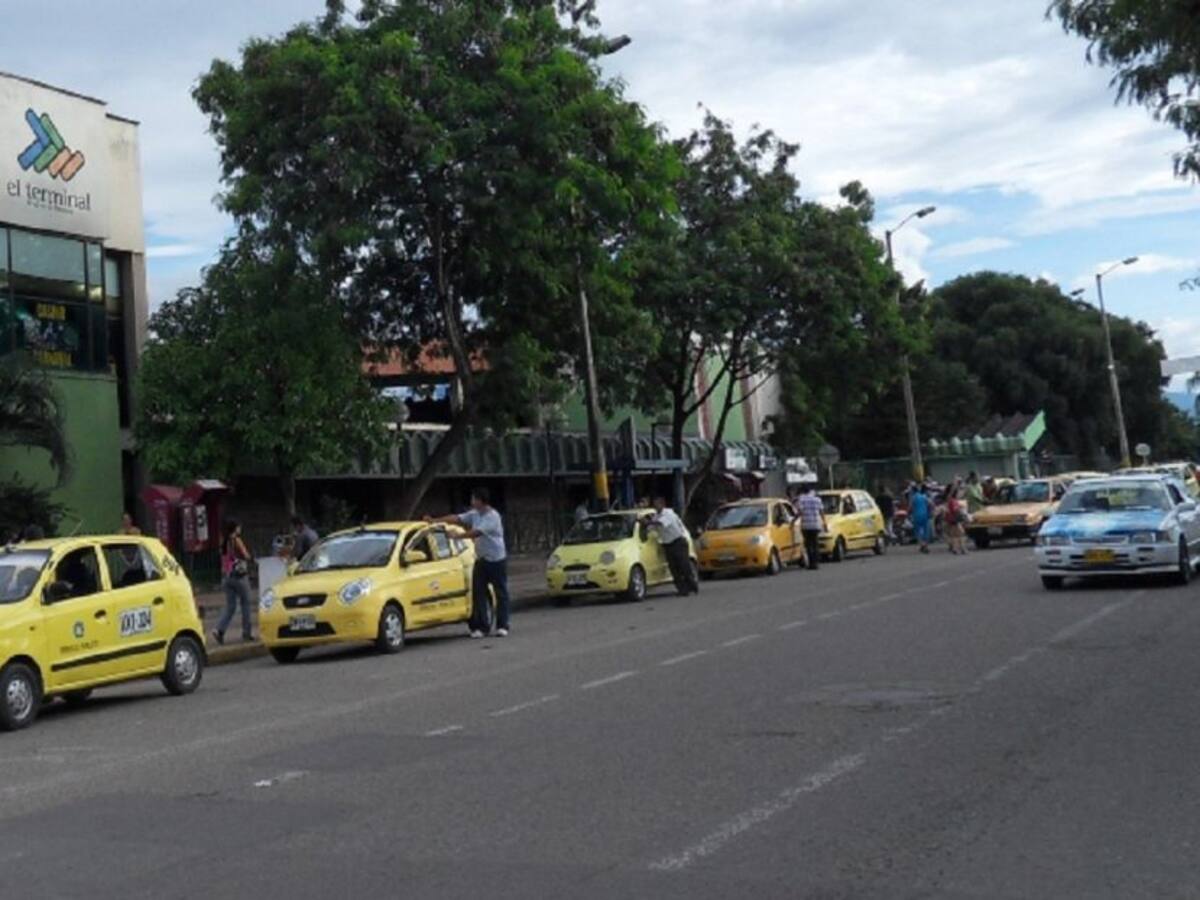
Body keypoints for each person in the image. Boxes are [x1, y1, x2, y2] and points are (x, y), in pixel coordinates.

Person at [428, 488, 511, 638]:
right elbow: (457, 518)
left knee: (501, 593)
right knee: (478, 592)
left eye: (474, 499)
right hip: (481, 559)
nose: (472, 502)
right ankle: (482, 627)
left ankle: (502, 625)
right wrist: (435, 520)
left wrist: (458, 536)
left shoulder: (493, 517)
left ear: (480, 501)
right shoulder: (474, 514)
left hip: (496, 559)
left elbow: (477, 532)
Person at [644, 496, 698, 595]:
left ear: (662, 504)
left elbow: (661, 523)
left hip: (678, 542)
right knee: (674, 569)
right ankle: (682, 590)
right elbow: (651, 528)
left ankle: (692, 585)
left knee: (684, 566)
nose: (656, 506)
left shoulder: (668, 513)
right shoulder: (656, 516)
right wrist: (646, 526)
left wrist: (648, 522)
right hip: (667, 545)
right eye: (654, 504)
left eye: (657, 504)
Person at [213, 520, 254, 646]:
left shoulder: (223, 541)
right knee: (246, 603)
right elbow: (245, 555)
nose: (240, 529)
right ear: (235, 528)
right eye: (238, 527)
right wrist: (250, 558)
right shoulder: (236, 540)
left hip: (226, 577)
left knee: (230, 606)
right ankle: (246, 632)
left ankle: (219, 630)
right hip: (239, 576)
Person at [796, 483, 827, 571]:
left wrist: (794, 520)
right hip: (816, 524)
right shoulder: (817, 499)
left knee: (808, 544)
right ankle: (816, 562)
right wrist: (825, 523)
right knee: (815, 543)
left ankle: (811, 563)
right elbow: (821, 512)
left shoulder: (801, 500)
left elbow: (800, 512)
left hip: (806, 525)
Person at [944, 485, 968, 555]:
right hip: (955, 520)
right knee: (961, 534)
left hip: (951, 519)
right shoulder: (953, 501)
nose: (960, 494)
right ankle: (962, 549)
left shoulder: (951, 500)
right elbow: (955, 510)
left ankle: (956, 548)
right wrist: (961, 512)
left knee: (955, 535)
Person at [909, 484, 933, 554]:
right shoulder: (924, 496)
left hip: (916, 516)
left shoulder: (913, 497)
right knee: (925, 531)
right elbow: (931, 503)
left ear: (913, 491)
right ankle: (925, 545)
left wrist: (909, 512)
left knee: (918, 531)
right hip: (925, 515)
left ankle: (922, 545)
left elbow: (910, 507)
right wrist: (929, 510)